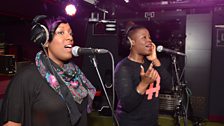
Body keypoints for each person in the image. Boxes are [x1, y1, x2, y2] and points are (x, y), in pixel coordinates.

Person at [0, 15, 96, 126]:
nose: (69, 37)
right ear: (44, 40)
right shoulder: (26, 78)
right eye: (61, 33)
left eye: (70, 33)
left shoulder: (76, 75)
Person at [115, 25, 171, 126]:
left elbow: (168, 85)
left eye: (149, 37)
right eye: (144, 37)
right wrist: (144, 83)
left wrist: (155, 60)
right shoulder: (123, 67)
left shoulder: (150, 64)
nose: (149, 40)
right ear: (132, 42)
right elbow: (127, 105)